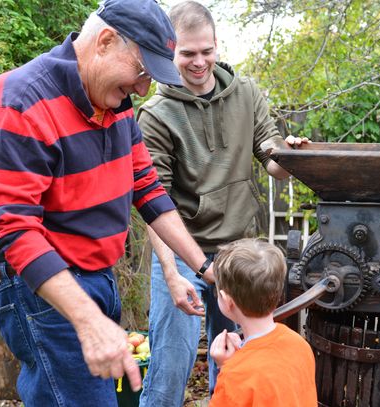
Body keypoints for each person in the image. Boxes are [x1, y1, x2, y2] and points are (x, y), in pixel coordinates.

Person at [0, 0, 215, 405]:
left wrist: (205, 268)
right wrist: (88, 320)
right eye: (142, 73)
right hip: (43, 290)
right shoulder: (17, 102)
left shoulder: (114, 102)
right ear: (105, 41)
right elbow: (14, 229)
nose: (143, 90)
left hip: (97, 275)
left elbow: (147, 187)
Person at [137, 1, 308, 406]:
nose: (199, 62)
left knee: (238, 364)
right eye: (187, 53)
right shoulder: (156, 115)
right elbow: (152, 201)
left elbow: (271, 159)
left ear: (217, 45)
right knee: (170, 368)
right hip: (181, 252)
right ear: (170, 51)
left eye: (206, 51)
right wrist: (172, 272)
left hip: (237, 253)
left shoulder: (247, 93)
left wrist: (289, 155)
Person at [208, 238, 317, 406]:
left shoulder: (235, 374)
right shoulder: (300, 345)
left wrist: (225, 367)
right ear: (279, 292)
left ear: (226, 300)